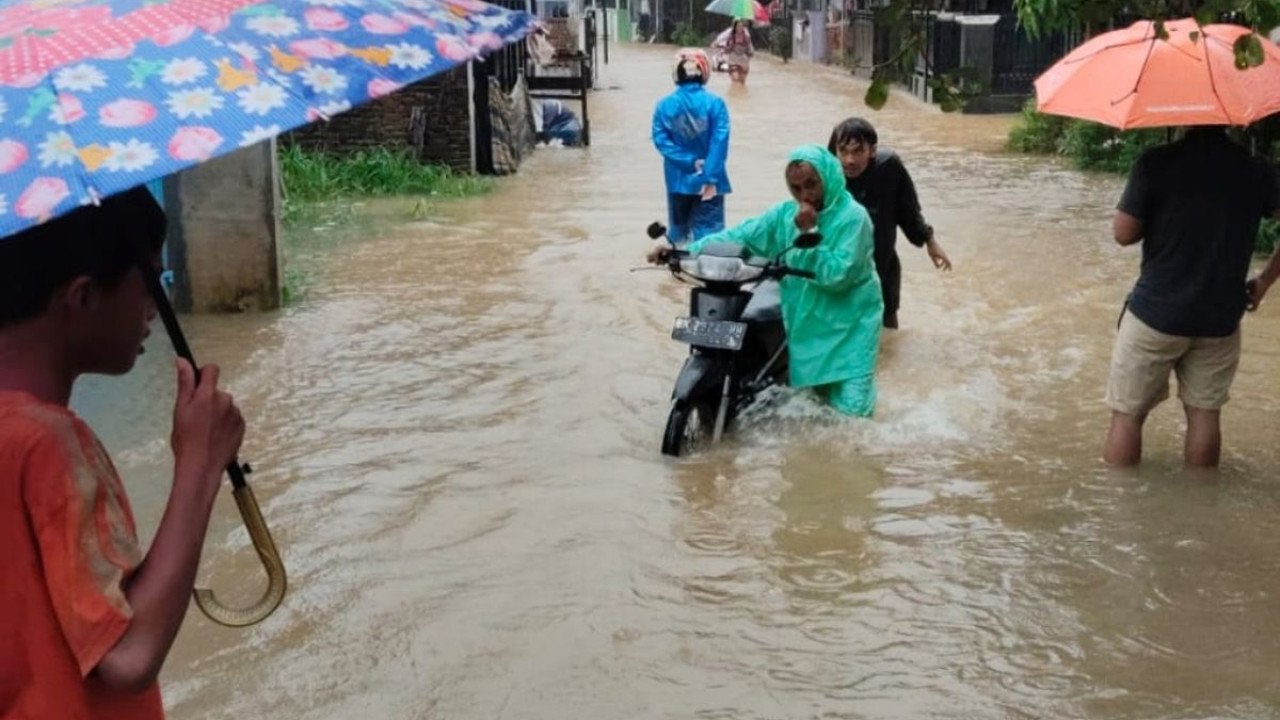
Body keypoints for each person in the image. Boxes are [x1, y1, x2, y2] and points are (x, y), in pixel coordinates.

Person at [0, 187, 246, 717]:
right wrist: (199, 465)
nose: (154, 312)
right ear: (84, 297)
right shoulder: (48, 443)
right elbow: (129, 656)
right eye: (150, 283)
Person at [647, 145, 882, 416]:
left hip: (850, 328)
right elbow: (741, 236)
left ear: (828, 178)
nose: (805, 195)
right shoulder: (784, 215)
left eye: (811, 185)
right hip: (809, 325)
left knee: (853, 418)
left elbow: (838, 276)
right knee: (815, 410)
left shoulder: (854, 218)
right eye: (796, 188)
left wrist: (810, 231)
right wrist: (683, 251)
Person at [1103, 126, 1280, 468]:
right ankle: (1202, 505)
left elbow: (1123, 234)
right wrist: (1264, 281)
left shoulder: (1156, 163)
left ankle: (1119, 506)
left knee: (1127, 414)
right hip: (1221, 318)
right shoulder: (1256, 169)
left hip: (1155, 315)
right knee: (1204, 415)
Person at [827, 117, 951, 329]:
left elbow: (908, 210)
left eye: (858, 151)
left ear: (872, 151)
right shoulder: (825, 176)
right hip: (839, 268)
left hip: (881, 265)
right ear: (834, 152)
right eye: (843, 151)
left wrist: (929, 240)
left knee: (887, 325)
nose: (849, 160)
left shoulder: (888, 169)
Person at [651, 48, 732, 245]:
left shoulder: (664, 106)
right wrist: (709, 176)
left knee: (678, 235)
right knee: (710, 237)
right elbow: (719, 143)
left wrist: (689, 163)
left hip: (678, 182)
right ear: (704, 71)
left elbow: (661, 142)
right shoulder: (716, 103)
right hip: (710, 182)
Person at [722, 19, 755, 84]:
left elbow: (750, 47)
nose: (740, 28)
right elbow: (726, 49)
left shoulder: (746, 36)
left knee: (742, 82)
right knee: (735, 79)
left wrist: (751, 53)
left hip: (743, 60)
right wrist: (730, 47)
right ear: (735, 27)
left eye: (741, 26)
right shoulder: (731, 36)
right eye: (738, 26)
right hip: (733, 60)